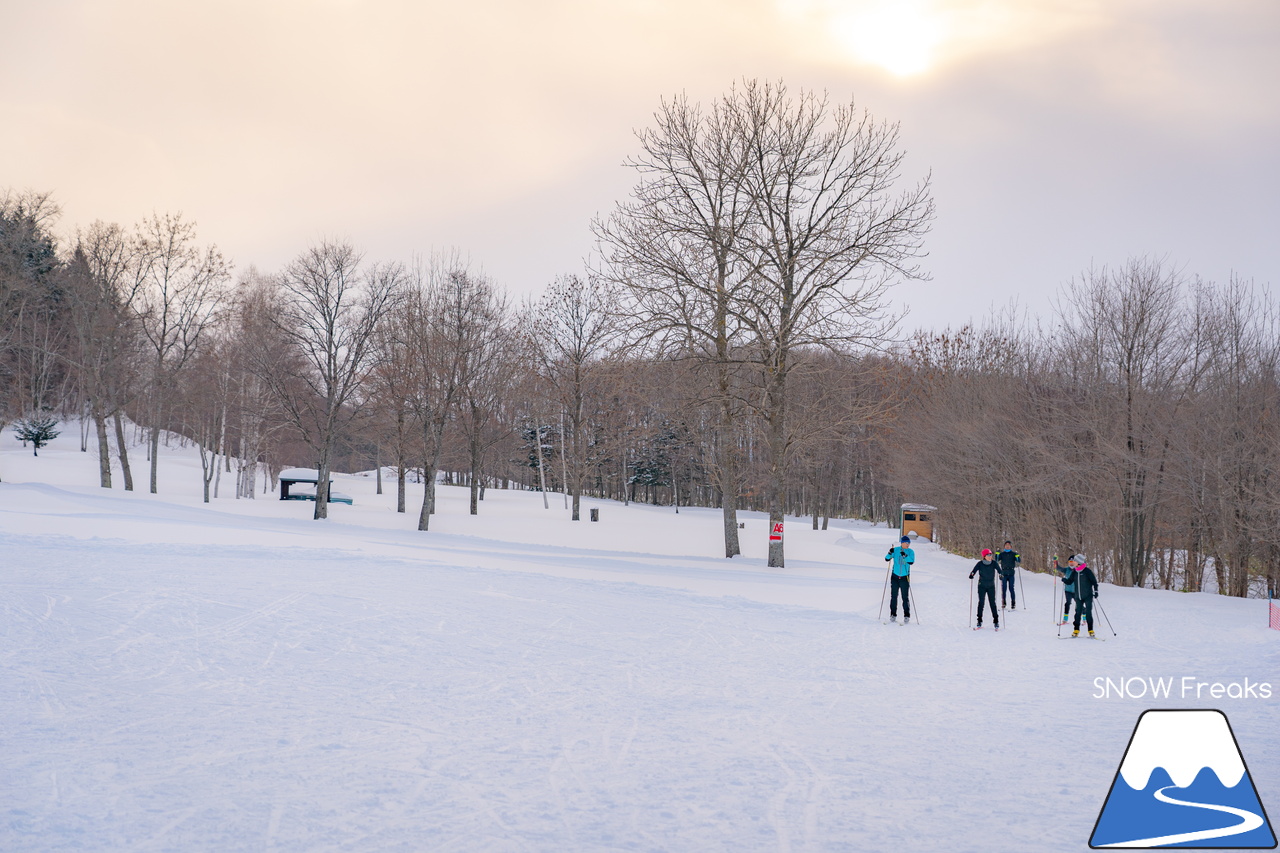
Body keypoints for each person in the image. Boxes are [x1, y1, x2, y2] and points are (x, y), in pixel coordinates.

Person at [1068, 554, 1100, 637]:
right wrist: (1064, 580)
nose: (1073, 562)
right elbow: (1069, 581)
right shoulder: (1074, 572)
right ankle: (1076, 630)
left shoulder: (1087, 571)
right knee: (1077, 613)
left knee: (1088, 613)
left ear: (1078, 562)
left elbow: (1094, 582)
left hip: (1088, 596)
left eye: (1074, 561)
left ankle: (1090, 630)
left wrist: (1096, 591)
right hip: (1078, 596)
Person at [885, 535, 915, 623]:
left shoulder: (910, 551)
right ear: (902, 543)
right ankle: (893, 615)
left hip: (905, 577)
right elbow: (887, 559)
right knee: (894, 597)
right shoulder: (896, 550)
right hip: (895, 576)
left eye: (909, 543)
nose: (908, 545)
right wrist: (890, 553)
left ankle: (906, 616)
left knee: (905, 597)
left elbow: (911, 561)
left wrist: (905, 555)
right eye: (906, 543)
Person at [969, 548, 999, 630]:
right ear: (984, 556)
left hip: (991, 586)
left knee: (992, 603)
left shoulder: (994, 563)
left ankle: (996, 620)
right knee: (981, 603)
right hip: (982, 586)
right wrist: (972, 574)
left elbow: (1000, 570)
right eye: (988, 555)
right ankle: (979, 620)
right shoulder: (980, 564)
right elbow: (974, 571)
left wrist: (1001, 575)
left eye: (991, 555)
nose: (990, 556)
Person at [997, 541, 1020, 609]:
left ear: (1011, 547)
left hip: (1011, 573)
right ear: (1004, 546)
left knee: (1011, 588)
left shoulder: (1013, 554)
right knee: (1003, 589)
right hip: (1004, 572)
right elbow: (997, 560)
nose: (1007, 546)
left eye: (1008, 545)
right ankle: (1003, 603)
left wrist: (1017, 555)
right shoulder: (1002, 554)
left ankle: (1013, 603)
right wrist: (997, 553)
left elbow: (1018, 561)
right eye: (1006, 545)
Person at [1054, 555, 1077, 625]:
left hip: (1077, 591)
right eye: (1070, 562)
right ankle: (1065, 619)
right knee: (1067, 603)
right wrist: (1055, 562)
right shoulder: (1067, 569)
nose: (1071, 563)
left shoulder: (1078, 570)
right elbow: (1058, 568)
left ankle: (1084, 619)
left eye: (1072, 562)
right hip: (1068, 590)